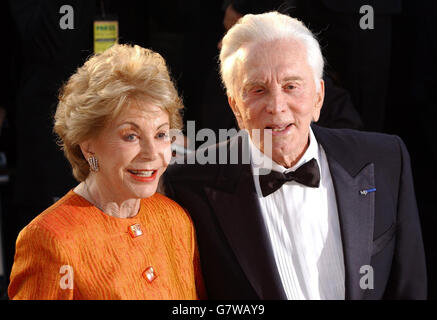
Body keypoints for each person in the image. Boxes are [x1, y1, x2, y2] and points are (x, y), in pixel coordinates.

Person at [164, 12, 427, 299]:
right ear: (236, 108)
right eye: (258, 89)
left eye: (291, 86)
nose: (277, 106)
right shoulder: (189, 185)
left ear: (318, 97)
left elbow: (409, 288)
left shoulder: (385, 159)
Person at [8, 44, 205, 300]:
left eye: (160, 134)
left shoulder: (176, 219)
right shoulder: (49, 239)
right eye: (131, 135)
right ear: (88, 146)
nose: (151, 153)